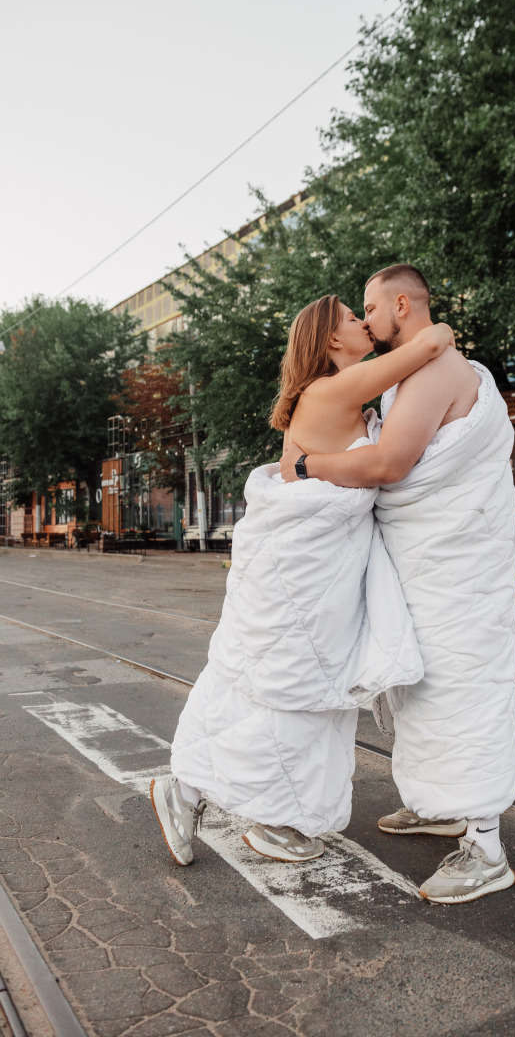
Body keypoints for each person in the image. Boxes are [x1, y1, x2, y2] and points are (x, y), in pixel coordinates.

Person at [151, 294, 452, 866]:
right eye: (351, 317)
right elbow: (431, 343)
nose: (364, 322)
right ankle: (234, 805)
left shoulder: (339, 394)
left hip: (313, 570)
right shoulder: (330, 389)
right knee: (291, 690)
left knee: (288, 689)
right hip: (302, 569)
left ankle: (207, 796)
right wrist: (419, 323)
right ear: (330, 340)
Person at [280, 264, 515, 905]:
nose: (365, 318)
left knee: (465, 689)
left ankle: (487, 846)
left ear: (402, 305)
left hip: (456, 569)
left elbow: (389, 465)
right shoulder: (410, 372)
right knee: (425, 688)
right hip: (427, 566)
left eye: (370, 307)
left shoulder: (434, 372)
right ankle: (443, 806)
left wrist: (306, 466)